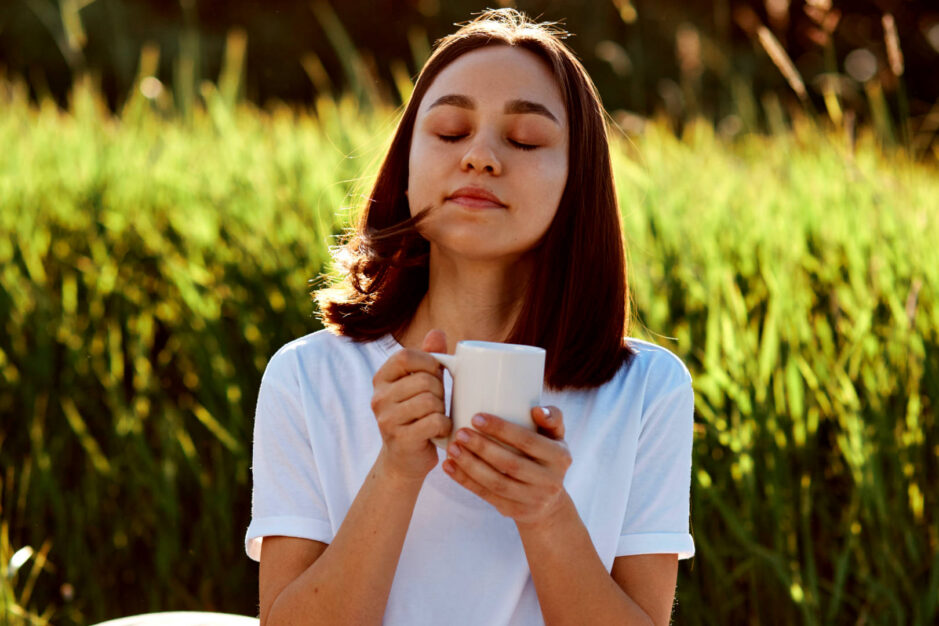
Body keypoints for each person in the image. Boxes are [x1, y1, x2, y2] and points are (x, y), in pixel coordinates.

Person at [245, 8, 694, 625]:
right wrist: (397, 470)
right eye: (451, 132)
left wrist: (546, 512)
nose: (480, 156)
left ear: (577, 182)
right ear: (406, 166)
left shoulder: (644, 390)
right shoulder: (308, 377)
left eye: (525, 140)